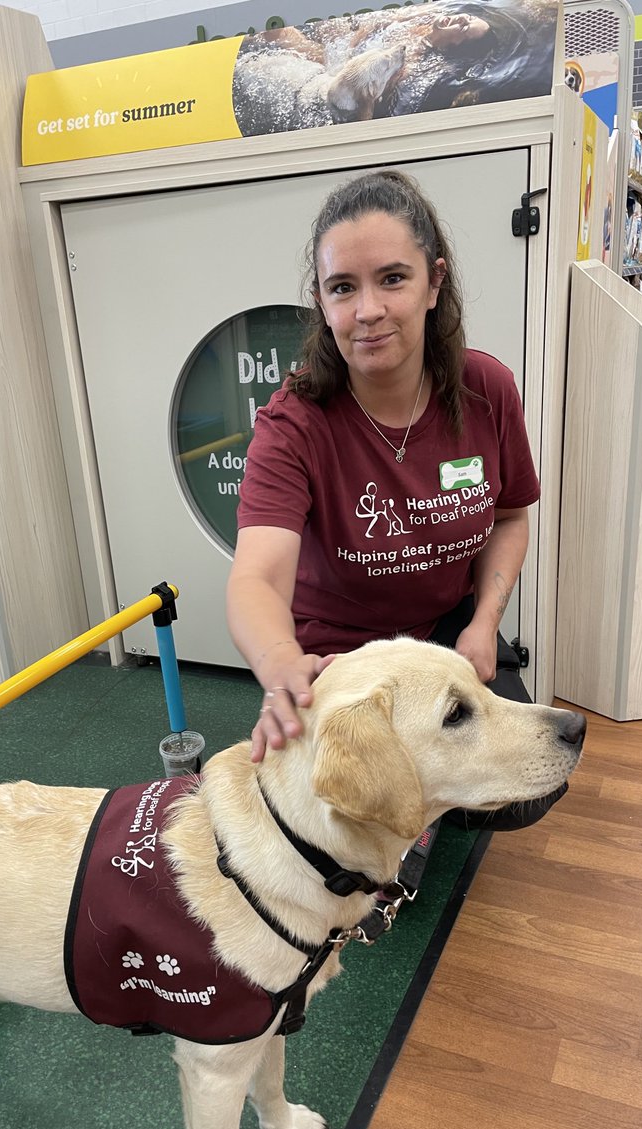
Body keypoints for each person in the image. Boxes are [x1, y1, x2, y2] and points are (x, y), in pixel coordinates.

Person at [227, 170, 550, 827]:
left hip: (443, 632)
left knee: (524, 795)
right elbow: (255, 577)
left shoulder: (486, 388)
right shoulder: (296, 420)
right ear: (322, 302)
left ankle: (419, 811)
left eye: (392, 279)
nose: (367, 309)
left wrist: (485, 620)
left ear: (435, 282)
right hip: (343, 655)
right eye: (342, 288)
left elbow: (510, 515)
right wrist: (284, 667)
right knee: (343, 808)